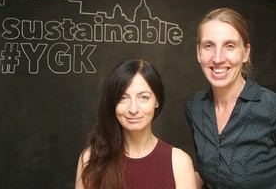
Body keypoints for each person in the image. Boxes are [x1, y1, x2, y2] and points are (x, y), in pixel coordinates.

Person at [185, 7, 276, 189]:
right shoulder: (195, 107)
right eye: (209, 46)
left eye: (230, 46)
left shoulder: (275, 107)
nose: (218, 58)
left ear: (246, 53)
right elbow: (206, 175)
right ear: (198, 52)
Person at [75, 58, 197, 189]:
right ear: (113, 103)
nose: (133, 109)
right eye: (123, 98)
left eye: (143, 97)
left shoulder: (179, 163)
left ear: (157, 101)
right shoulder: (91, 159)